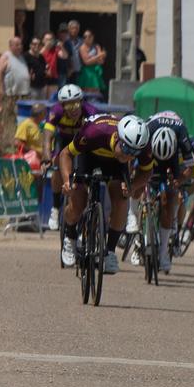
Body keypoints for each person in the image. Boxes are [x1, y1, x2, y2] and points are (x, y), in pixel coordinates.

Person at [60, 112, 147, 273]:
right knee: (78, 202)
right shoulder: (94, 132)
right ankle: (70, 238)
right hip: (89, 155)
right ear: (118, 137)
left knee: (122, 200)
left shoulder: (140, 145)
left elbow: (146, 172)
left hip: (115, 163)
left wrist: (133, 186)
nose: (129, 155)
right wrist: (67, 181)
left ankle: (110, 252)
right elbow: (66, 153)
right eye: (127, 148)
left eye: (134, 153)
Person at [137, 112, 194, 270]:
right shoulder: (147, 129)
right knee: (139, 181)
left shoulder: (182, 135)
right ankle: (138, 232)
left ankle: (164, 251)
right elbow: (133, 162)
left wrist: (179, 181)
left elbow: (192, 169)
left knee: (171, 197)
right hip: (151, 154)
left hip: (172, 159)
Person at [13, 102, 50, 230]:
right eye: (44, 113)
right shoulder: (26, 125)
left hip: (39, 165)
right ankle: (24, 220)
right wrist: (34, 151)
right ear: (39, 114)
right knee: (27, 191)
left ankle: (31, 219)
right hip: (28, 165)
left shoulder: (41, 126)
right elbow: (18, 142)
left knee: (37, 192)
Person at [0, 36, 32, 101]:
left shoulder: (21, 57)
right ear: (10, 46)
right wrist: (1, 88)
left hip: (24, 93)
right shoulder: (5, 57)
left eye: (21, 44)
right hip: (11, 94)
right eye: (17, 45)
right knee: (11, 111)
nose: (20, 47)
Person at [75, 29, 106, 95]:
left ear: (93, 37)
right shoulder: (82, 47)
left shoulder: (96, 46)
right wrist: (98, 56)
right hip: (87, 73)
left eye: (89, 36)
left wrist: (94, 58)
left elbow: (101, 61)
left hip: (95, 72)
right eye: (85, 37)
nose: (87, 38)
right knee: (87, 93)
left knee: (96, 92)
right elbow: (86, 62)